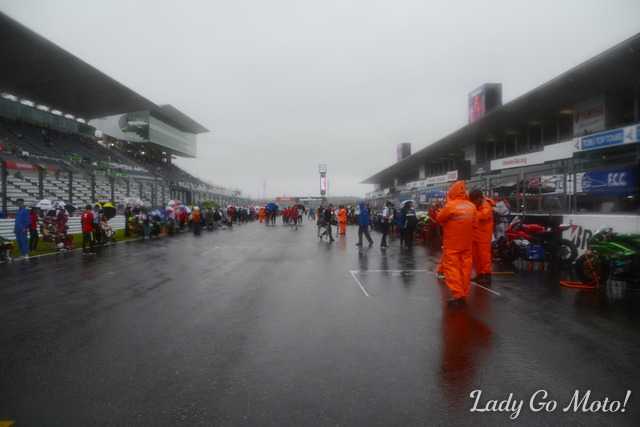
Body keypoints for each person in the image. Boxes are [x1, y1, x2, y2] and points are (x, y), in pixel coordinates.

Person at [437, 181, 478, 307]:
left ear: (452, 192)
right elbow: (475, 223)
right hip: (466, 244)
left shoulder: (450, 206)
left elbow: (439, 217)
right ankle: (463, 294)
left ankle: (458, 294)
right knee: (465, 269)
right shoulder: (471, 206)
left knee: (451, 268)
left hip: (452, 244)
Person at [469, 189, 495, 285]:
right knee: (477, 257)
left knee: (484, 257)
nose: (473, 203)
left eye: (474, 200)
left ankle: (487, 275)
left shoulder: (487, 206)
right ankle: (479, 274)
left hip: (484, 235)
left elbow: (482, 216)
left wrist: (471, 212)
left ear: (479, 198)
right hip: (476, 235)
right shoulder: (479, 205)